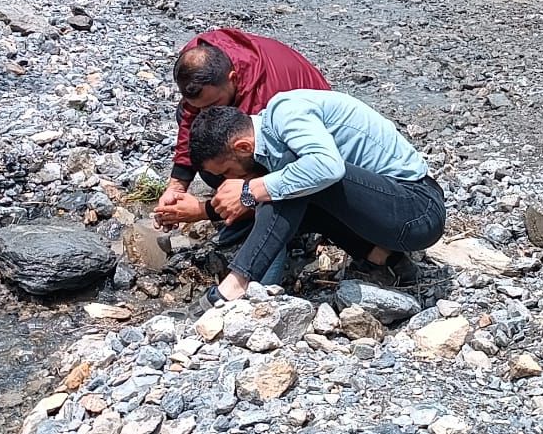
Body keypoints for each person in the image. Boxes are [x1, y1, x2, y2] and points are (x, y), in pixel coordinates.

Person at [188, 90, 446, 302]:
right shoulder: (271, 138)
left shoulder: (284, 112)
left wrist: (249, 190)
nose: (230, 180)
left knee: (295, 172)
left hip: (418, 209)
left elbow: (327, 166)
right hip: (391, 216)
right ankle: (384, 258)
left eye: (228, 172)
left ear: (243, 147)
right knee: (287, 184)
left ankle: (238, 283)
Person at [154, 28, 331, 227]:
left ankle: (252, 214)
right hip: (247, 116)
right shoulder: (198, 61)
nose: (204, 112)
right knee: (195, 123)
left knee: (228, 163)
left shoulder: (266, 98)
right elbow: (191, 117)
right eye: (199, 107)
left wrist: (205, 211)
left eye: (212, 104)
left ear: (233, 79)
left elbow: (274, 170)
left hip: (310, 148)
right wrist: (176, 188)